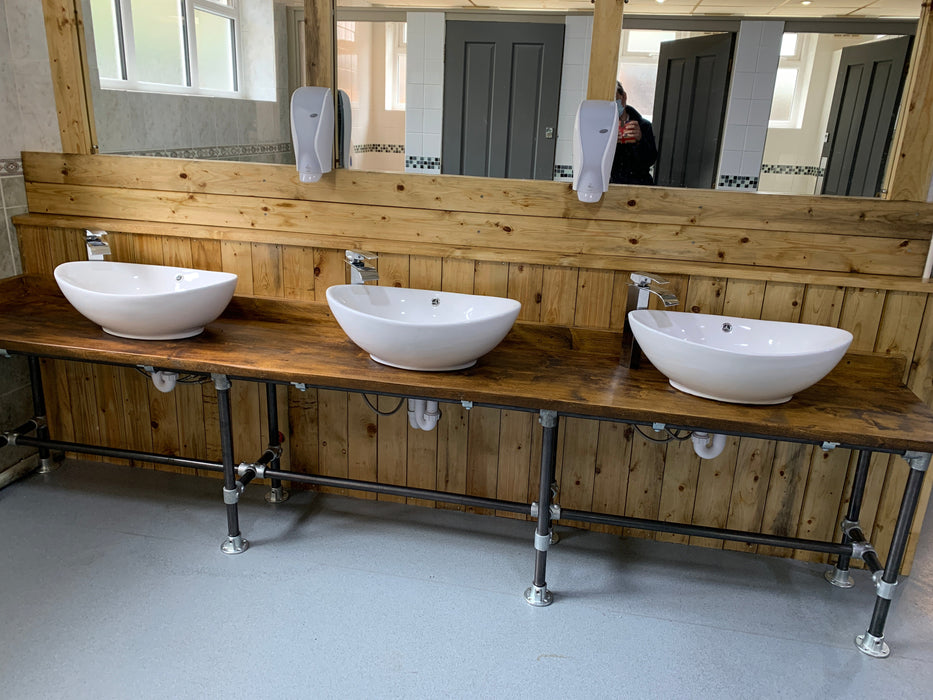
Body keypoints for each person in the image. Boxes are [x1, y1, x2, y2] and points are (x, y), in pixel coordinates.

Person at [610, 82, 657, 185]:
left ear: (624, 97)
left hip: (640, 186)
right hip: (613, 187)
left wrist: (640, 141)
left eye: (614, 99)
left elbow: (650, 160)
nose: (612, 105)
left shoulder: (643, 125)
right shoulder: (603, 127)